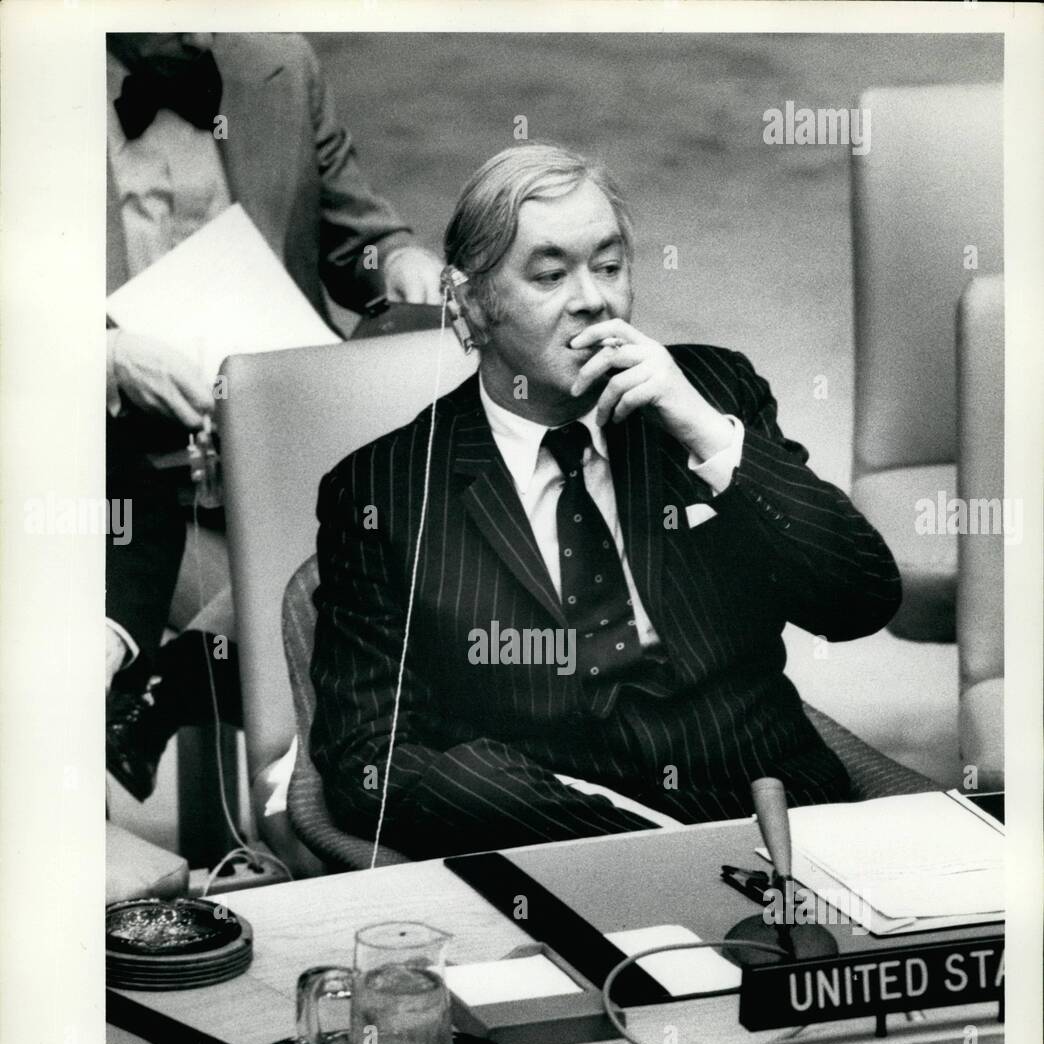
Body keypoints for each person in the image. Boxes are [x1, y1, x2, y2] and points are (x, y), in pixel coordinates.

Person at [309, 143, 902, 860]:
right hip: (570, 844)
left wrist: (707, 435)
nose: (591, 298)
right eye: (550, 275)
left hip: (782, 816)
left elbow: (861, 601)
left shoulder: (712, 394)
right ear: (471, 303)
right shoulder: (385, 492)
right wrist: (620, 842)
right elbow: (369, 759)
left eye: (611, 266)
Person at [105, 31, 444, 800]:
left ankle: (173, 687)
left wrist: (397, 261)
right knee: (337, 594)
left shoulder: (277, 61)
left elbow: (359, 237)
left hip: (277, 451)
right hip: (119, 488)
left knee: (409, 541)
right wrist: (110, 361)